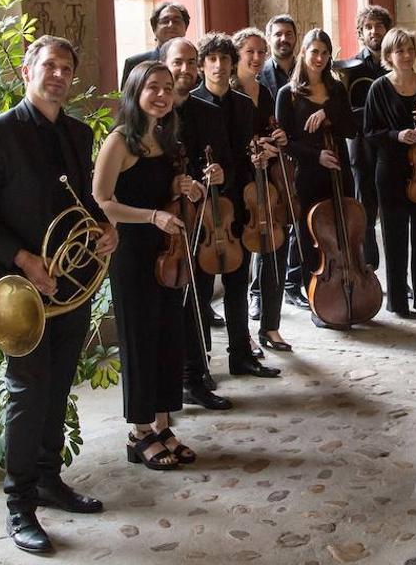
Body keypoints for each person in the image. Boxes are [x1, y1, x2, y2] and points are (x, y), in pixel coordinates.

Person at [0, 35, 119, 554]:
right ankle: (19, 505)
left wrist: (102, 226)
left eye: (66, 68)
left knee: (56, 387)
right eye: (48, 65)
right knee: (28, 394)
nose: (57, 75)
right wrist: (26, 259)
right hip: (19, 287)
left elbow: (77, 198)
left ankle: (48, 479)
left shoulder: (74, 131)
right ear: (28, 71)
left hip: (69, 287)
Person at [93, 61, 198, 470]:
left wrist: (183, 187)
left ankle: (162, 422)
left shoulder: (165, 137)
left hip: (167, 249)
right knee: (139, 339)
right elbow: (101, 201)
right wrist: (153, 216)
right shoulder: (120, 140)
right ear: (135, 92)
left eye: (167, 88)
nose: (161, 94)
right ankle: (139, 432)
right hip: (133, 249)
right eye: (152, 87)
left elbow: (160, 187)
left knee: (168, 335)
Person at [192, 32, 282, 378]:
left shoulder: (244, 105)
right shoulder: (192, 105)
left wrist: (257, 159)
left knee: (237, 286)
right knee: (201, 291)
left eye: (224, 60)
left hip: (238, 209)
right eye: (211, 59)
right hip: (205, 207)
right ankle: (200, 365)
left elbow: (247, 152)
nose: (218, 65)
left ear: (232, 65)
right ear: (203, 65)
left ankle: (241, 355)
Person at [161, 37, 234, 412]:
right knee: (164, 307)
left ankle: (195, 376)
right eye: (179, 63)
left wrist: (218, 172)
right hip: (161, 225)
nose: (186, 70)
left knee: (198, 300)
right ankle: (164, 386)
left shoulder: (209, 112)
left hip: (201, 221)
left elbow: (224, 163)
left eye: (192, 63)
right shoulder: (152, 113)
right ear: (164, 63)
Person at [275, 29, 359, 326]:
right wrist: (315, 156)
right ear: (304, 53)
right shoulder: (288, 94)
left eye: (325, 53)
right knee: (313, 240)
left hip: (339, 172)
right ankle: (319, 303)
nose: (320, 58)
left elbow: (351, 128)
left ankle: (350, 291)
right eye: (314, 52)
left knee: (344, 234)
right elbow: (284, 141)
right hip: (308, 174)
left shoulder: (336, 90)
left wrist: (328, 114)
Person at [364, 27, 416, 316]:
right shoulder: (379, 89)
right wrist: (398, 136)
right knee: (394, 236)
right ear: (389, 55)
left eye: (410, 49)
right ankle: (398, 301)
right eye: (400, 51)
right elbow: (370, 132)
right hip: (390, 171)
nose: (407, 55)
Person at [234, 27, 292, 352]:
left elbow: (269, 128)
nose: (257, 58)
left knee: (276, 250)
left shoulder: (265, 92)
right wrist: (253, 148)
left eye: (261, 52)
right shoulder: (228, 94)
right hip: (240, 187)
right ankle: (242, 336)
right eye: (250, 52)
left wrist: (277, 140)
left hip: (265, 184)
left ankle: (271, 326)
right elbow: (230, 143)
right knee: (241, 265)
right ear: (237, 55)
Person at [334, 5, 392, 270]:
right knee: (365, 211)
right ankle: (368, 269)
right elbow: (346, 112)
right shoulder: (352, 68)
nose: (374, 31)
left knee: (392, 211)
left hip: (389, 146)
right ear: (360, 33)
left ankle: (395, 276)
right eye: (368, 27)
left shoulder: (395, 64)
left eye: (378, 26)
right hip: (362, 147)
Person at [122, 1, 189, 86]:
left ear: (185, 28)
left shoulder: (197, 62)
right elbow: (128, 98)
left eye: (176, 21)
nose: (171, 25)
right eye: (165, 21)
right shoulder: (135, 64)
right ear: (154, 28)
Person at [258, 15, 297, 101]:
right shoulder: (258, 74)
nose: (284, 39)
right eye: (278, 34)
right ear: (268, 39)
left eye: (289, 34)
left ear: (296, 37)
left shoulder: (308, 71)